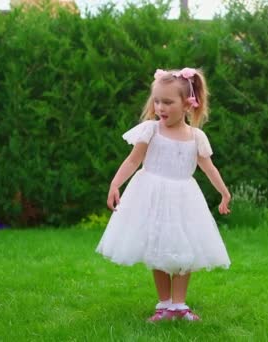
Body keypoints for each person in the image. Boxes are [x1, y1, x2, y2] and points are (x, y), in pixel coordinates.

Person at [95, 67, 231, 322]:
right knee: (156, 247)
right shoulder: (151, 131)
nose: (160, 107)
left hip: (183, 199)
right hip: (151, 196)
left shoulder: (196, 137)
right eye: (157, 101)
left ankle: (179, 306)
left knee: (184, 248)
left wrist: (224, 193)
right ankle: (164, 304)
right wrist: (115, 184)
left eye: (168, 102)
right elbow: (133, 160)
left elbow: (209, 168)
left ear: (188, 104)